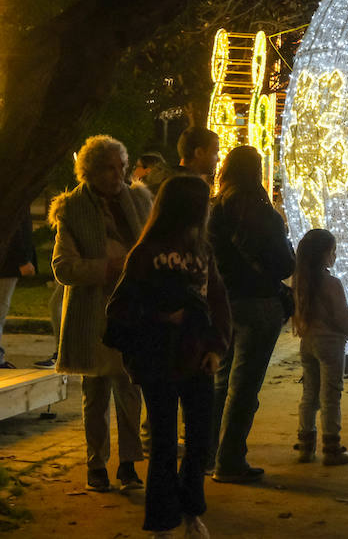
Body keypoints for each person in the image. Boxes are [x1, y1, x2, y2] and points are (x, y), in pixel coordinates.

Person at [104, 175, 230, 539]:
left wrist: (216, 347)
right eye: (204, 203)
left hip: (198, 358)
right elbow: (121, 308)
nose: (209, 210)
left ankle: (191, 512)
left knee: (199, 442)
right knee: (163, 443)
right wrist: (161, 316)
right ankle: (162, 521)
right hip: (160, 359)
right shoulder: (146, 253)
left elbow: (217, 303)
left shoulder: (203, 252)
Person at [49, 135, 148, 492]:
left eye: (121, 167)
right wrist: (108, 268)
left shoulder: (137, 201)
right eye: (109, 167)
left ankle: (128, 464)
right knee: (95, 393)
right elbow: (63, 267)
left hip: (132, 313)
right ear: (89, 171)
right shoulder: (72, 210)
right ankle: (96, 464)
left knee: (130, 388)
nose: (118, 175)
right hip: (92, 315)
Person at [206, 145, 295, 482]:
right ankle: (230, 460)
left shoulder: (217, 210)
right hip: (259, 303)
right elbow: (284, 264)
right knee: (244, 386)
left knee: (222, 380)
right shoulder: (262, 213)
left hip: (224, 301)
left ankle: (209, 453)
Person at [291, 228, 348, 466]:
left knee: (309, 395)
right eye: (333, 251)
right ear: (325, 255)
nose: (335, 256)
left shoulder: (299, 282)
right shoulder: (332, 284)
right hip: (331, 344)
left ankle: (305, 447)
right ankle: (332, 447)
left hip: (307, 342)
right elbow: (341, 317)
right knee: (331, 395)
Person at [0, 204, 37, 369]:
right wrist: (23, 259)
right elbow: (15, 228)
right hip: (7, 264)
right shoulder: (17, 195)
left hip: (8, 262)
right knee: (1, 308)